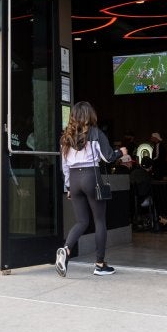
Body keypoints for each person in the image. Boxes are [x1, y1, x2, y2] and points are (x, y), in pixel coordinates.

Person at [55, 101, 127, 278]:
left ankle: (66, 249)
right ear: (90, 115)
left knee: (81, 221)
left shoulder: (66, 137)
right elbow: (108, 157)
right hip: (90, 176)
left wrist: (68, 186)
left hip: (74, 178)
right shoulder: (95, 132)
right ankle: (100, 264)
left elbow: (64, 165)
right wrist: (122, 152)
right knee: (99, 221)